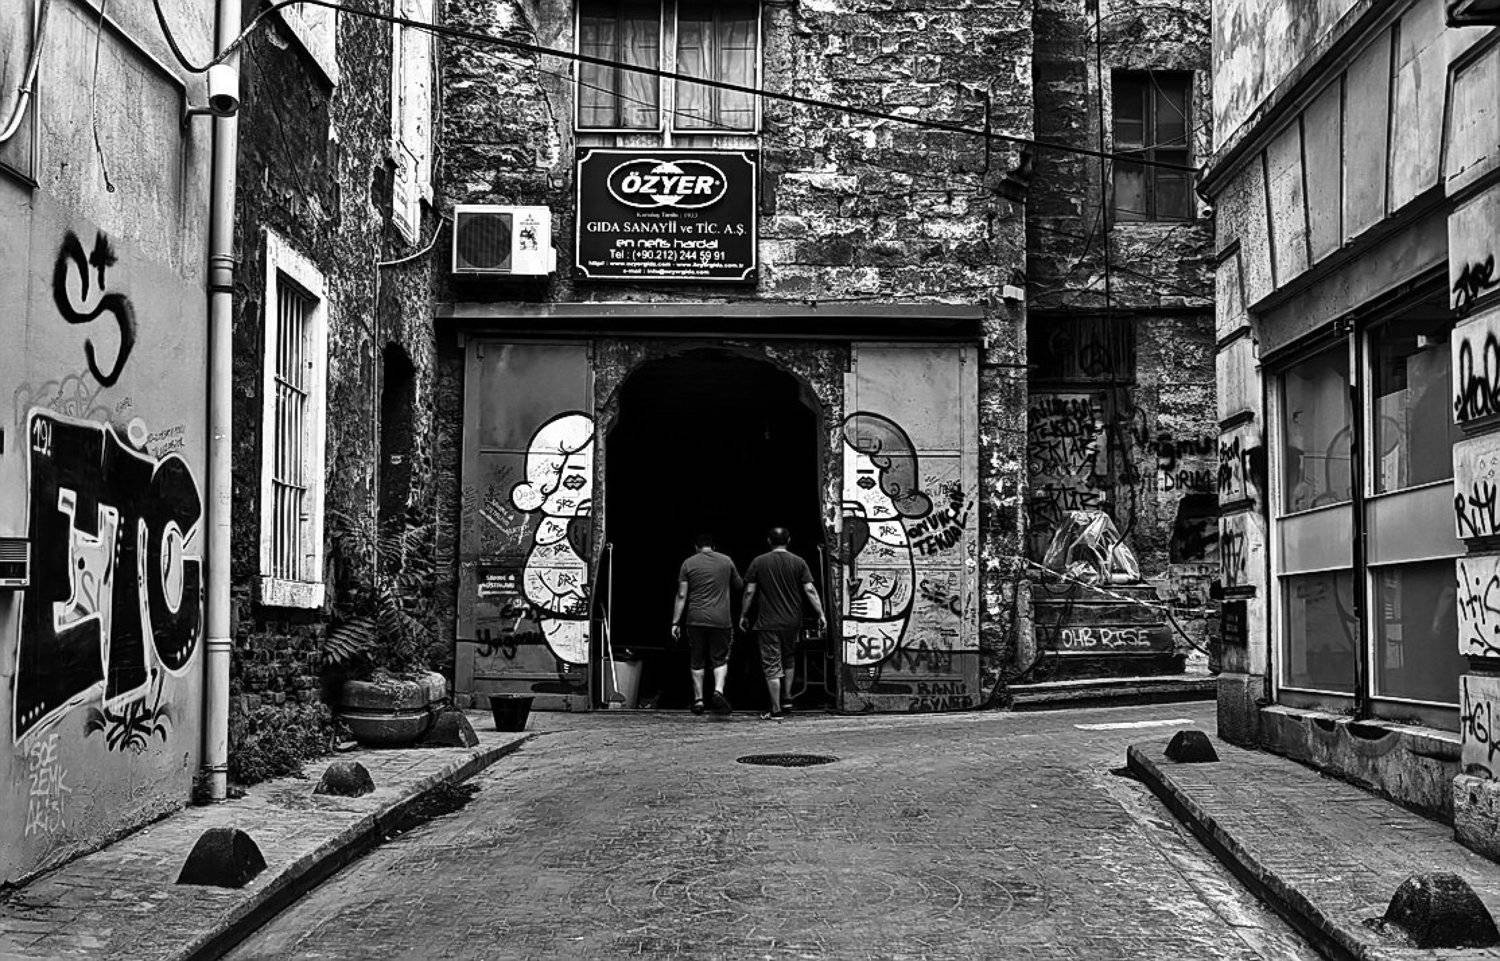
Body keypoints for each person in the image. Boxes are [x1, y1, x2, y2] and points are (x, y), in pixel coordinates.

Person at [740, 527, 827, 720]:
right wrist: (821, 613)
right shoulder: (799, 562)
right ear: (789, 540)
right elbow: (810, 590)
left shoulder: (759, 562)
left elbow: (749, 592)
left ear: (769, 541)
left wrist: (743, 614)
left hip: (768, 622)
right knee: (788, 658)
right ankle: (787, 698)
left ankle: (776, 709)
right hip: (792, 622)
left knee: (772, 663)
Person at [671, 533, 742, 715]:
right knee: (720, 658)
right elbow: (739, 585)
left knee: (697, 658)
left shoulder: (688, 563)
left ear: (696, 547)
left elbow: (681, 595)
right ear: (714, 546)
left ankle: (699, 700)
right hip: (721, 619)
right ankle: (718, 691)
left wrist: (675, 622)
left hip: (695, 619)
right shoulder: (726, 561)